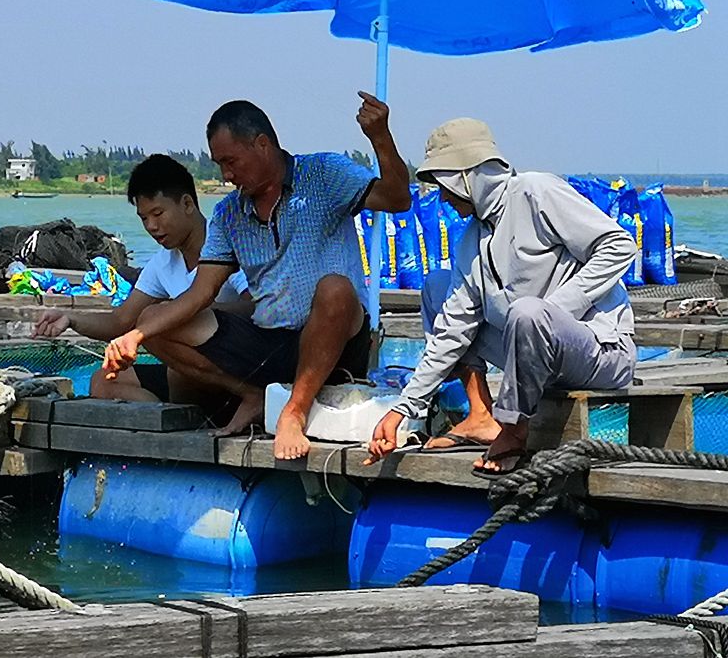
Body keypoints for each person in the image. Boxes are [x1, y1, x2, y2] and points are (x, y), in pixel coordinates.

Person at [101, 92, 411, 459]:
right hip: (268, 343)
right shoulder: (229, 213)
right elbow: (200, 294)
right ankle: (253, 395)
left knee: (335, 289)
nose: (226, 175)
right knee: (153, 319)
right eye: (219, 165)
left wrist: (380, 137)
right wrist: (137, 334)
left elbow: (396, 199)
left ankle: (293, 412)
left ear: (262, 145)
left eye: (231, 162)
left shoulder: (324, 174)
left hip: (336, 341)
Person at [365, 117, 637, 478]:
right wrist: (403, 409)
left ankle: (513, 429)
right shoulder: (470, 240)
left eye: (445, 185)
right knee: (436, 288)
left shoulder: (535, 192)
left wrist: (552, 313)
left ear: (468, 175)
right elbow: (452, 331)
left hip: (598, 351)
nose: (443, 198)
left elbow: (618, 246)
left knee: (528, 313)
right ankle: (481, 415)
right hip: (531, 350)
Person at [32, 154, 250, 409]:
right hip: (186, 374)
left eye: (158, 213)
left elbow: (255, 308)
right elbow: (121, 320)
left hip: (236, 368)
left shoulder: (228, 244)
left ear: (188, 204)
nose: (152, 226)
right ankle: (166, 417)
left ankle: (211, 412)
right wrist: (70, 319)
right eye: (144, 218)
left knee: (161, 321)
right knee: (103, 381)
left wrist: (187, 314)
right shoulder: (162, 263)